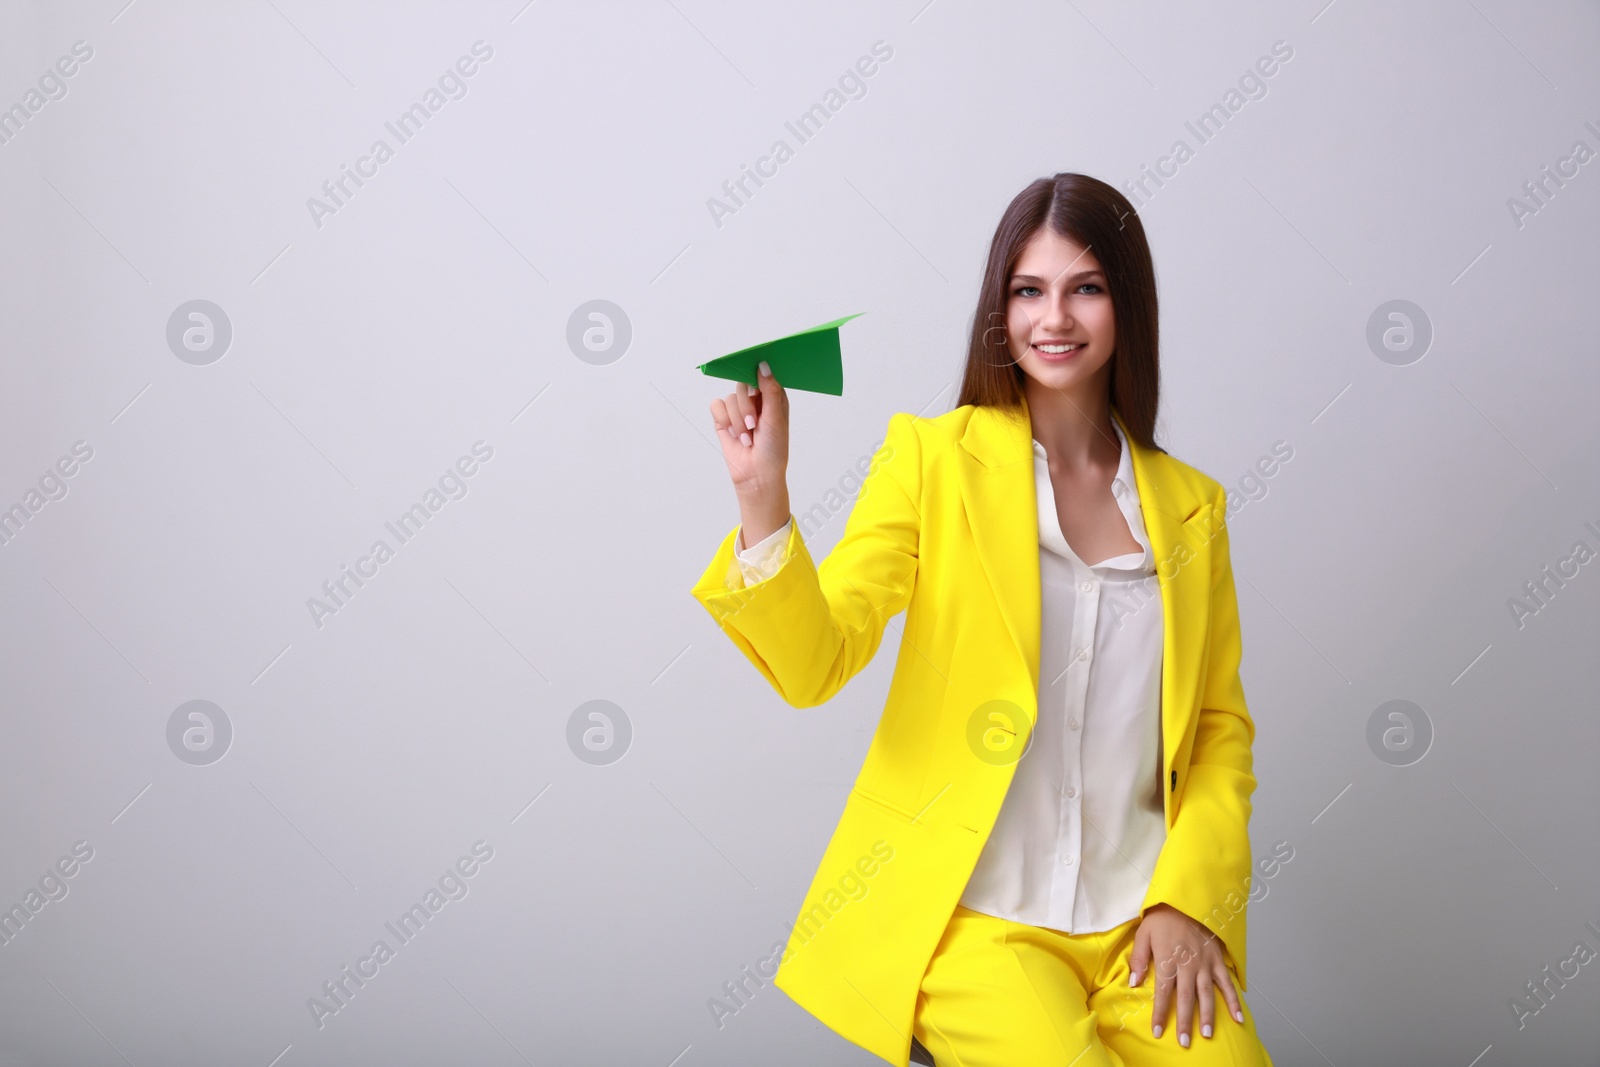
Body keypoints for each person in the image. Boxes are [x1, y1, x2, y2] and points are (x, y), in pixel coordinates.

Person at [692, 172, 1274, 1066]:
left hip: (1142, 925)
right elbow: (817, 660)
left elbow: (1220, 731)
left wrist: (1189, 901)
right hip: (977, 922)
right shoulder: (932, 461)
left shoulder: (1194, 506)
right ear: (1000, 310)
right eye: (1028, 290)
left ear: (1127, 304)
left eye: (1086, 288)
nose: (1056, 318)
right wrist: (763, 498)